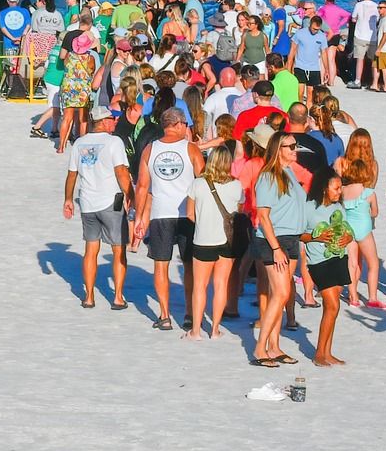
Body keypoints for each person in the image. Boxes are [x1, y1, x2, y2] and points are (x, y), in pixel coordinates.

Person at [132, 107, 201, 332]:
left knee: (161, 265)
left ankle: (164, 314)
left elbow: (142, 186)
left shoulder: (150, 150)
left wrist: (139, 216)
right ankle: (190, 312)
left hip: (161, 212)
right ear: (179, 124)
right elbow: (203, 180)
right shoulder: (191, 149)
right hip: (187, 214)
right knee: (189, 266)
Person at [63, 104, 133, 310]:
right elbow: (121, 172)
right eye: (112, 119)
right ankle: (118, 297)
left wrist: (68, 198)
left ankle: (89, 296)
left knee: (90, 249)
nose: (115, 121)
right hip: (111, 201)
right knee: (118, 249)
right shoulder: (114, 142)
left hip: (87, 202)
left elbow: (72, 173)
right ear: (103, 121)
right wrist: (133, 197)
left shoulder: (80, 143)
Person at [249, 129, 308, 367]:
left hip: (291, 238)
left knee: (280, 294)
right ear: (278, 150)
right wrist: (276, 248)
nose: (295, 150)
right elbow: (263, 216)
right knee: (282, 293)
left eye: (295, 146)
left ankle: (274, 346)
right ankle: (260, 348)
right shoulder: (268, 176)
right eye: (291, 147)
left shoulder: (288, 172)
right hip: (275, 241)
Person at [184, 142, 244, 340]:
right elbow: (239, 213)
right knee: (221, 285)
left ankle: (196, 330)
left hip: (203, 239)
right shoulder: (236, 186)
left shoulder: (198, 184)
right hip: (227, 241)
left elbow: (190, 214)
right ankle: (215, 329)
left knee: (200, 286)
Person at [297, 166, 352, 366]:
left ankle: (327, 352)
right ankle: (319, 353)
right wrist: (316, 236)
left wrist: (349, 237)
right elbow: (298, 233)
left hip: (339, 258)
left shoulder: (339, 208)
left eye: (340, 188)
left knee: (333, 309)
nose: (339, 192)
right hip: (319, 261)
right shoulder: (309, 206)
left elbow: (347, 230)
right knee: (332, 305)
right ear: (323, 188)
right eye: (336, 188)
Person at [339, 128, 383, 307]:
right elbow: (372, 189)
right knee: (371, 261)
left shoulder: (342, 163)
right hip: (364, 221)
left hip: (347, 221)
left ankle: (353, 296)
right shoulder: (373, 165)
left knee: (352, 261)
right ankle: (372, 297)